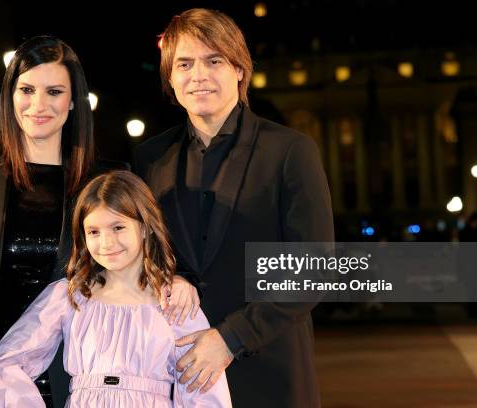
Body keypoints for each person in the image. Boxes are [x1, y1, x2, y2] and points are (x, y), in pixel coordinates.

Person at [0, 35, 199, 408]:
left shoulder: (107, 180)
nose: (39, 105)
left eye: (54, 91)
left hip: (74, 378)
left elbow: (140, 252)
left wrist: (178, 279)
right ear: (10, 96)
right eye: (27, 90)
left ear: (72, 101)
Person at [134, 8, 334, 407]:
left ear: (240, 70)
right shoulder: (148, 159)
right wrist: (167, 276)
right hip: (177, 373)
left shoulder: (290, 151)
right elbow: (141, 253)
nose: (198, 75)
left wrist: (230, 337)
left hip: (269, 370)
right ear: (170, 78)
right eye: (184, 64)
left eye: (214, 61)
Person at [0, 170, 232, 407]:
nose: (106, 243)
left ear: (144, 228)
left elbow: (204, 390)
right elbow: (3, 365)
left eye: (118, 227)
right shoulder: (69, 296)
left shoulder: (175, 302)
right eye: (93, 231)